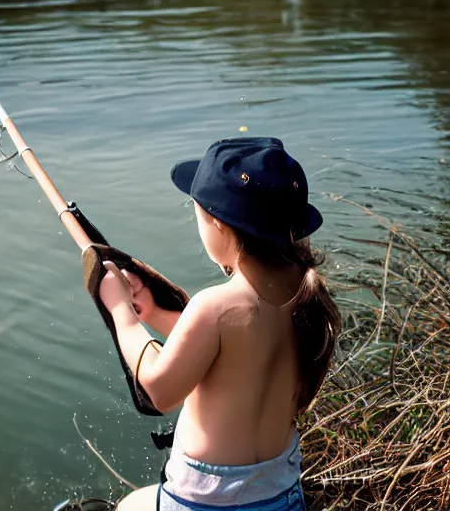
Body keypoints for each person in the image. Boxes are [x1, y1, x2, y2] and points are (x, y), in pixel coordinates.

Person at [98, 137, 341, 511]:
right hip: (281, 497)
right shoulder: (306, 296)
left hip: (204, 502)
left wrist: (121, 313)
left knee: (127, 505)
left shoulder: (215, 307)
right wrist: (156, 314)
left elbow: (160, 391)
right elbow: (235, 353)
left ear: (219, 224)